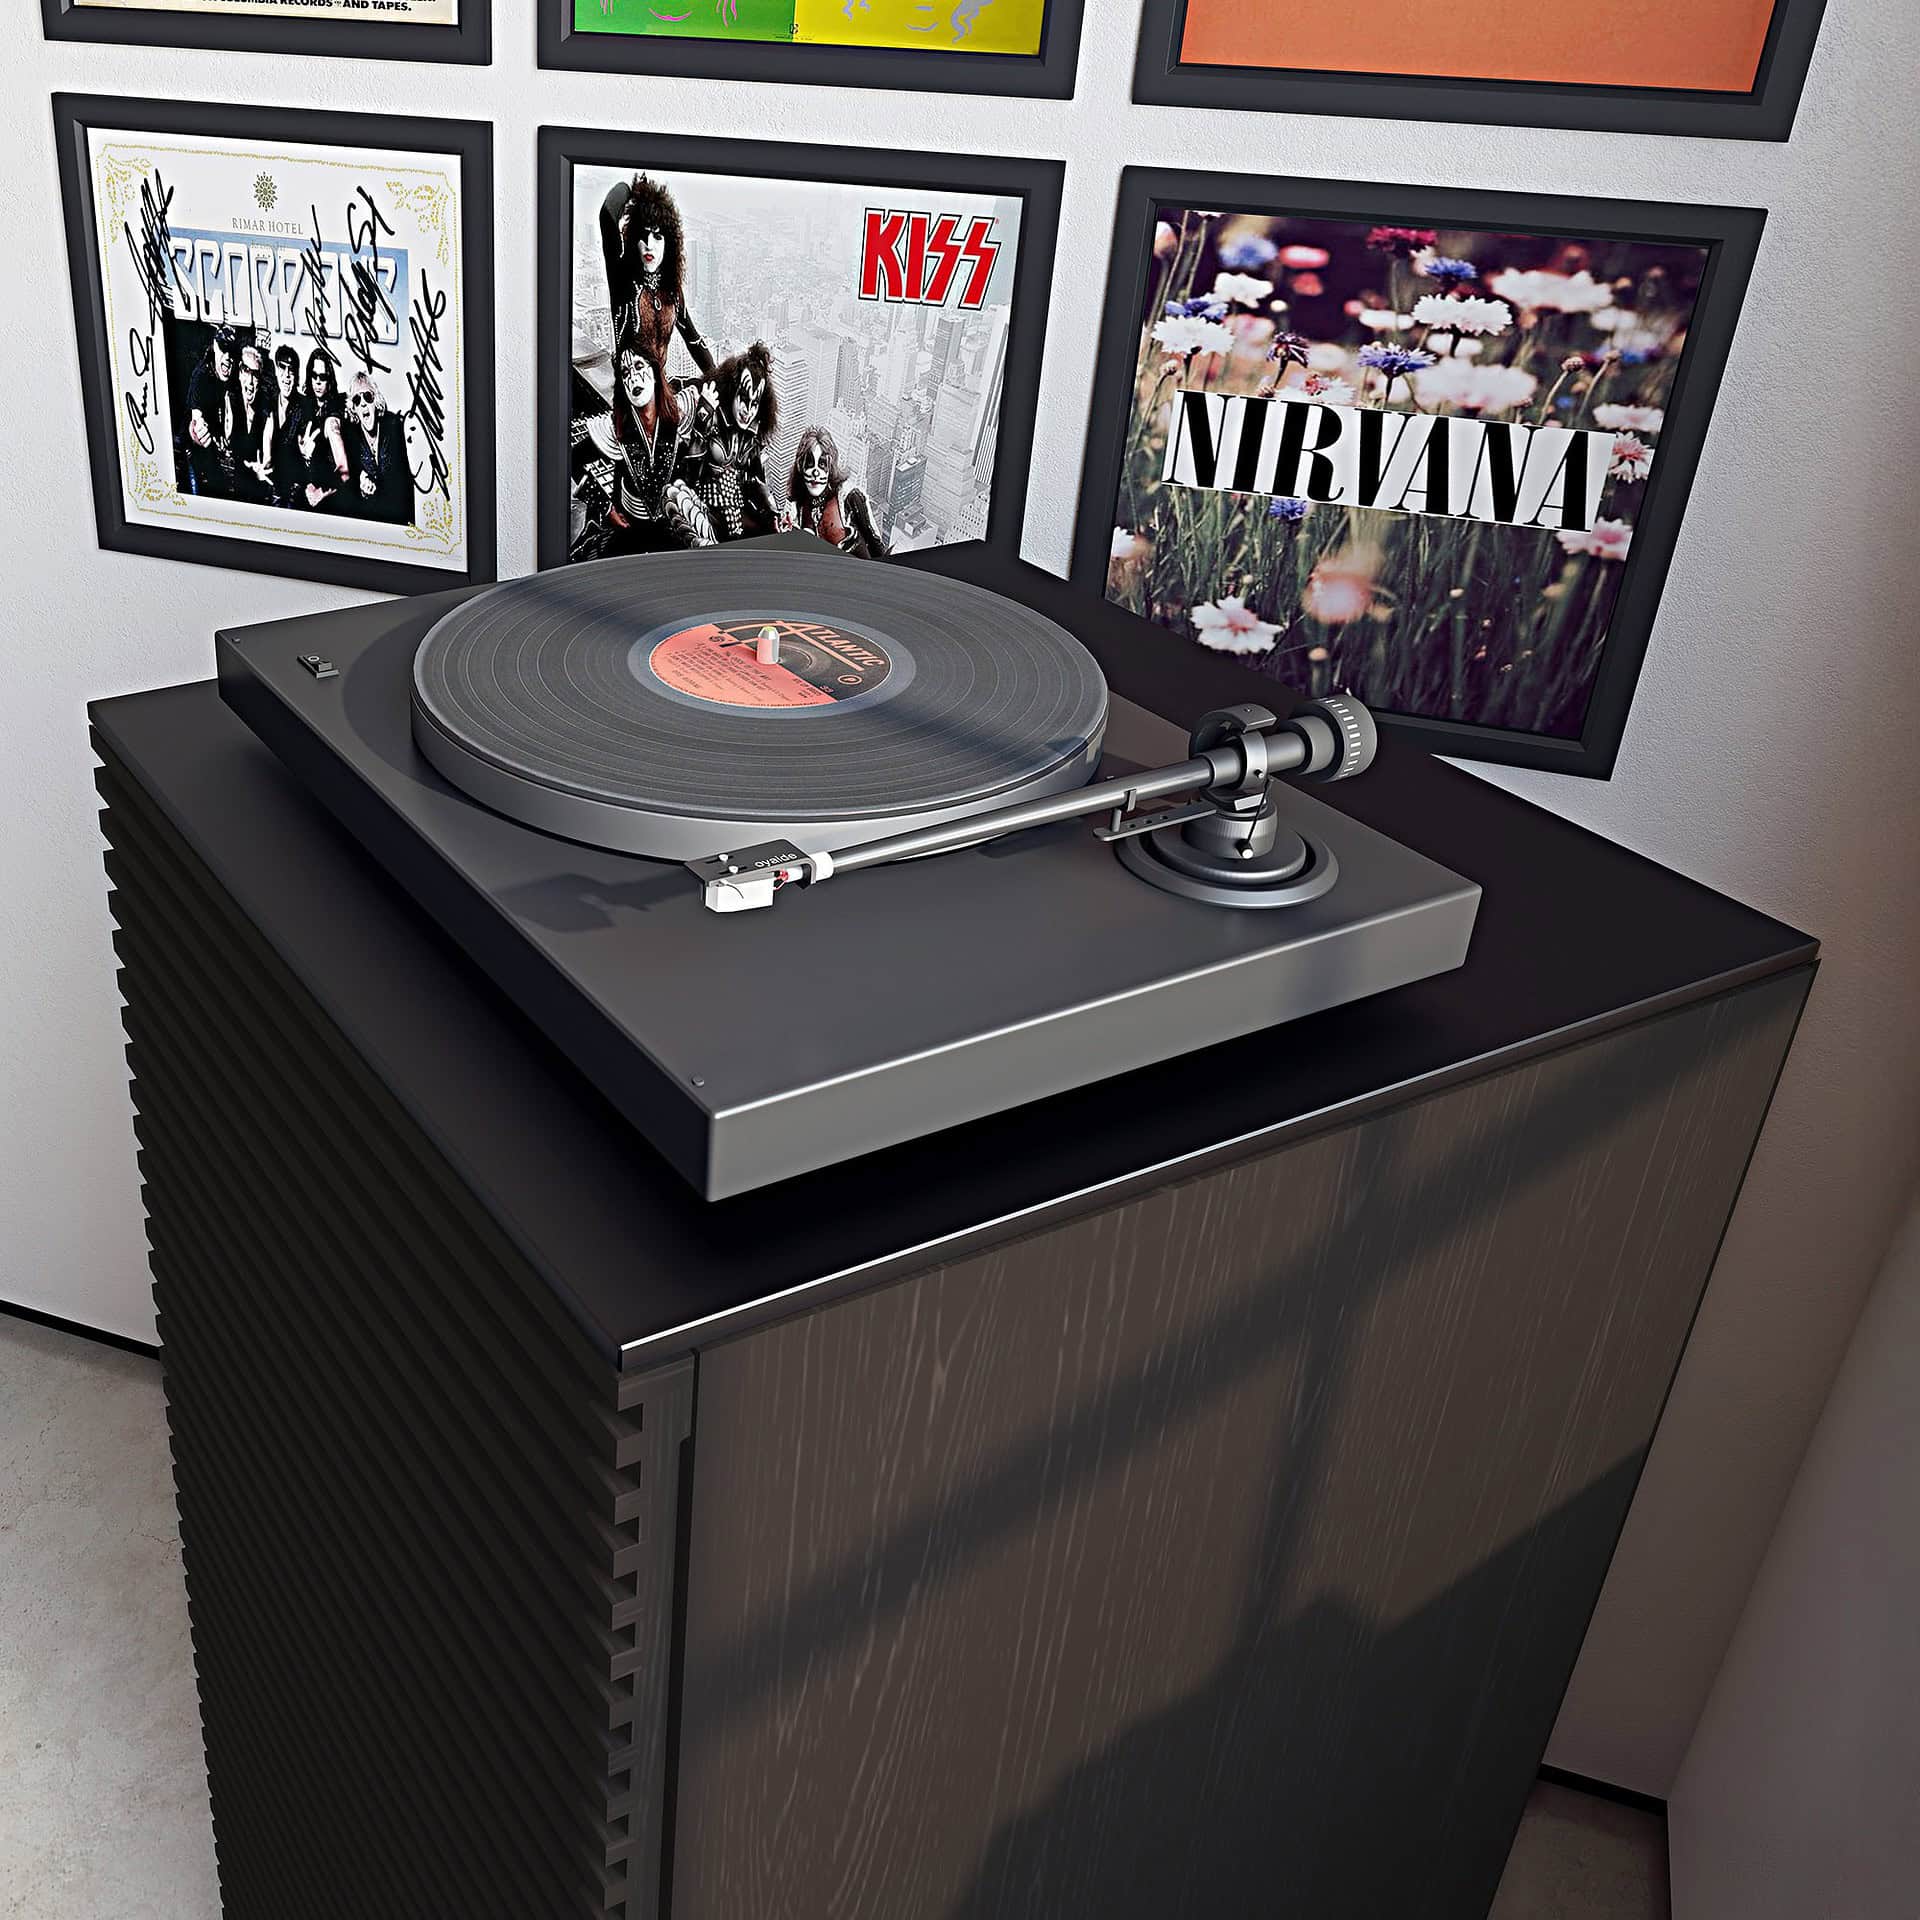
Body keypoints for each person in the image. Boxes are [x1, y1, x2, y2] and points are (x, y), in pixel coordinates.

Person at [591, 338, 715, 554]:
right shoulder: (615, 429)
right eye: (625, 373)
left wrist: (705, 412)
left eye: (639, 366)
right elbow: (571, 459)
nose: (633, 378)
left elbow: (696, 465)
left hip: (674, 531)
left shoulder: (680, 415)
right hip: (630, 534)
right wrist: (605, 507)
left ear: (655, 371)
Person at [598, 174, 716, 381]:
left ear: (669, 244)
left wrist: (717, 379)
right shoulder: (623, 280)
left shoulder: (671, 290)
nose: (649, 244)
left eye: (658, 236)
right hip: (630, 394)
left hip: (659, 392)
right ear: (633, 239)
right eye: (642, 236)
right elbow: (608, 214)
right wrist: (635, 190)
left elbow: (693, 339)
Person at [694, 342, 779, 541]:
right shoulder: (712, 418)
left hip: (736, 512)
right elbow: (688, 472)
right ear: (733, 389)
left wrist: (772, 512)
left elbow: (757, 479)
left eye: (754, 403)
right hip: (703, 508)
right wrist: (701, 423)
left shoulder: (752, 435)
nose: (747, 410)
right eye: (743, 397)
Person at [786, 426, 888, 559]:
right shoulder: (798, 507)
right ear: (801, 466)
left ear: (831, 467)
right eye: (810, 464)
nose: (816, 473)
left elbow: (877, 547)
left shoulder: (850, 498)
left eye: (822, 465)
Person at [342, 371, 414, 525]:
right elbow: (347, 479)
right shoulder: (350, 437)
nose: (363, 403)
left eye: (367, 396)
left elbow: (404, 478)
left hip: (398, 519)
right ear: (353, 408)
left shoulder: (394, 426)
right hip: (368, 522)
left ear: (376, 401)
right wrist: (359, 483)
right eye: (356, 399)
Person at [182, 326, 238, 497]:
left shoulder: (233, 375)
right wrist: (199, 431)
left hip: (217, 457)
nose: (228, 357)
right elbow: (196, 419)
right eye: (223, 349)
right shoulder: (202, 376)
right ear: (215, 345)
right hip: (194, 455)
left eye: (232, 351)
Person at [294, 349, 350, 512]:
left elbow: (344, 471)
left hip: (330, 501)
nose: (318, 381)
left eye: (323, 377)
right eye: (314, 375)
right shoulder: (307, 408)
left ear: (329, 380)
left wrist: (320, 492)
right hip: (308, 494)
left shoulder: (332, 417)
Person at [230, 344, 276, 505]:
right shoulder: (230, 400)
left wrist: (265, 464)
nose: (250, 381)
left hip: (256, 485)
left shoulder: (265, 410)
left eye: (255, 374)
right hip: (229, 484)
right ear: (239, 373)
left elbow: (267, 444)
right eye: (245, 371)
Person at [268, 344, 305, 507]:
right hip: (270, 484)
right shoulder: (267, 400)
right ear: (276, 370)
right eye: (282, 368)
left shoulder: (304, 406)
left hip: (294, 489)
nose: (287, 375)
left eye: (291, 369)